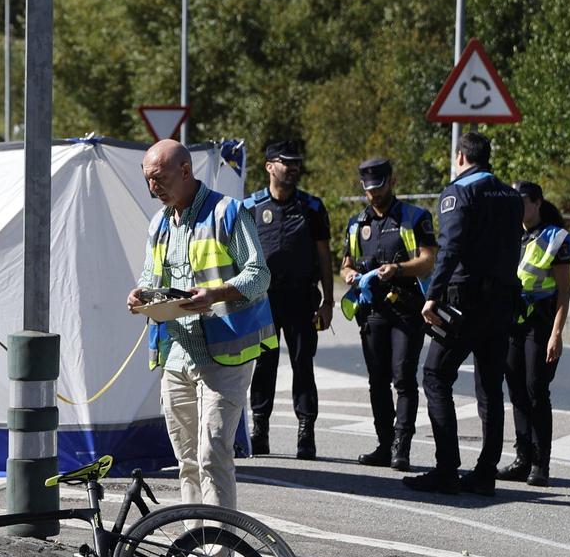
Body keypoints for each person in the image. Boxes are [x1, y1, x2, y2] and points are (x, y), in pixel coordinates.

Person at [126, 139, 273, 511]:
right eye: (147, 180)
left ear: (185, 171)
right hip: (175, 357)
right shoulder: (159, 222)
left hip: (224, 357)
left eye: (159, 178)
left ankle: (219, 544)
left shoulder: (228, 212)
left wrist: (216, 293)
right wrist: (140, 295)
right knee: (187, 461)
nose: (152, 188)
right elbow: (150, 278)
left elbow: (259, 275)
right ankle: (195, 540)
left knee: (212, 454)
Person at [402, 132, 522, 496]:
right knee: (490, 386)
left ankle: (446, 469)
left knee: (435, 375)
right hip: (502, 299)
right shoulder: (511, 195)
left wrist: (432, 296)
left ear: (460, 157)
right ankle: (485, 473)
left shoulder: (459, 192)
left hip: (465, 299)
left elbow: (450, 247)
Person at [340, 158, 436, 472]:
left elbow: (428, 261)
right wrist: (349, 274)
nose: (374, 194)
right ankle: (384, 443)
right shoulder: (357, 223)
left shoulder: (415, 218)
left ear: (392, 182)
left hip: (406, 309)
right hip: (372, 311)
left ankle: (401, 446)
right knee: (377, 381)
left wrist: (398, 269)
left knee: (403, 377)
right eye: (369, 189)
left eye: (379, 187)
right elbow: (346, 264)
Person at [243, 140, 334, 459]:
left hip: (301, 298)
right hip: (263, 300)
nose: (294, 168)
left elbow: (324, 257)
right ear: (269, 166)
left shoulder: (312, 207)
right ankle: (259, 430)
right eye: (287, 162)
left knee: (302, 364)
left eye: (297, 162)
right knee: (263, 364)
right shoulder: (251, 206)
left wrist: (328, 302)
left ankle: (306, 432)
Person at [497, 181, 570, 487]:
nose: (518, 208)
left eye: (523, 201)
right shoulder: (508, 234)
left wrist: (557, 333)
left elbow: (564, 293)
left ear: (538, 202)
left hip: (540, 324)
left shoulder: (555, 239)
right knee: (516, 390)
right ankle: (522, 458)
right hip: (512, 322)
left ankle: (541, 464)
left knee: (536, 391)